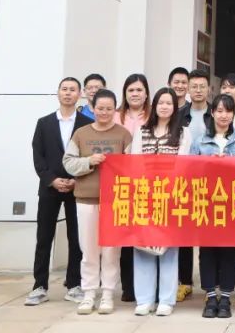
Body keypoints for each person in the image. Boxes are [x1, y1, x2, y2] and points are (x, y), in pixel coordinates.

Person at [62, 89, 133, 315]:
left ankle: (108, 293)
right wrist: (89, 161)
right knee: (89, 249)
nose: (104, 112)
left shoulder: (123, 134)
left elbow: (133, 167)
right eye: (100, 108)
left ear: (115, 110)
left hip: (114, 202)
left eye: (109, 109)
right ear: (92, 108)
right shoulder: (81, 134)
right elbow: (68, 163)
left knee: (112, 251)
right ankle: (89, 293)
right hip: (86, 199)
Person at [25, 77, 92, 306]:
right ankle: (39, 286)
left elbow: (87, 157)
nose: (68, 93)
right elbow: (38, 156)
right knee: (44, 237)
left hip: (77, 186)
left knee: (76, 237)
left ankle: (74, 285)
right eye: (64, 89)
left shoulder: (86, 124)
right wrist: (52, 180)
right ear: (58, 93)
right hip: (49, 187)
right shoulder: (44, 123)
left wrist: (75, 179)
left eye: (72, 90)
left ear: (79, 95)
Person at [128, 87, 193, 317]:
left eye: (169, 103)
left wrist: (168, 191)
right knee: (143, 247)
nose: (164, 107)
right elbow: (135, 163)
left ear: (175, 107)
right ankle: (144, 299)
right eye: (160, 103)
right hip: (144, 196)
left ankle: (166, 299)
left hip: (170, 197)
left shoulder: (183, 132)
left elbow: (183, 165)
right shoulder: (141, 131)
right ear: (154, 106)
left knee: (169, 249)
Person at [192, 93, 235, 318]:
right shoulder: (200, 141)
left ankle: (226, 297)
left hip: (233, 204)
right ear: (212, 113)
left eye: (228, 111)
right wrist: (208, 166)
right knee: (208, 251)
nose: (223, 115)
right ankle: (211, 296)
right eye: (219, 111)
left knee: (230, 251)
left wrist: (234, 167)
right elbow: (189, 172)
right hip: (207, 203)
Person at [178, 69, 211, 301]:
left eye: (202, 86)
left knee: (209, 233)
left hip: (211, 182)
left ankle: (210, 283)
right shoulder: (179, 115)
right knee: (184, 233)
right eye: (194, 86)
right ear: (188, 89)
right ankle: (185, 281)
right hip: (184, 181)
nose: (198, 90)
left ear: (209, 89)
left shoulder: (217, 112)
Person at [117, 73, 150, 302]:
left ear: (146, 93)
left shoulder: (154, 116)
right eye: (131, 90)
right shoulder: (116, 117)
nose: (135, 94)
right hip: (122, 184)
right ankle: (128, 287)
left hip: (149, 185)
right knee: (126, 238)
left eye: (139, 90)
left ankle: (148, 286)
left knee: (146, 236)